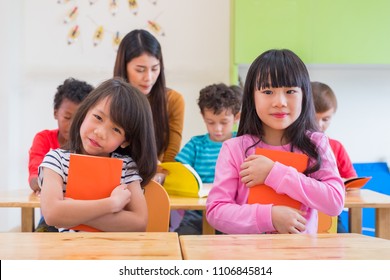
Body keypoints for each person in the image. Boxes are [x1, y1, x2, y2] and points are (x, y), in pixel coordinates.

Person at [206, 49, 345, 234]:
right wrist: (269, 217)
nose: (280, 102)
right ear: (252, 97)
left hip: (300, 257)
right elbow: (216, 212)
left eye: (290, 91)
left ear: (304, 96)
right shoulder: (234, 148)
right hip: (249, 258)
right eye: (268, 91)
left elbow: (335, 202)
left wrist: (274, 172)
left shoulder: (316, 143)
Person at [38, 78, 157, 232]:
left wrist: (71, 213)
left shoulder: (126, 166)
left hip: (112, 252)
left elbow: (139, 223)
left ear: (125, 141)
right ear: (85, 112)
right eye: (98, 117)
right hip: (68, 251)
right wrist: (111, 204)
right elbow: (53, 214)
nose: (100, 132)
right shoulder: (56, 160)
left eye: (116, 130)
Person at [174, 83, 242, 235]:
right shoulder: (196, 145)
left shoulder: (242, 143)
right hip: (197, 215)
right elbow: (179, 171)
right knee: (180, 239)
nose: (217, 129)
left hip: (231, 215)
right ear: (203, 117)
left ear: (236, 117)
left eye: (224, 122)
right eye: (211, 122)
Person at [28, 77, 93, 232]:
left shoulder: (92, 145)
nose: (72, 125)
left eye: (80, 118)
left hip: (88, 216)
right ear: (56, 113)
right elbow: (34, 179)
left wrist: (54, 184)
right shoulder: (44, 139)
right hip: (53, 218)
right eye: (67, 117)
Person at [113, 29, 185, 166]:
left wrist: (159, 173)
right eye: (140, 70)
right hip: (116, 175)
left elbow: (170, 159)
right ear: (124, 67)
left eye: (155, 68)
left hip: (156, 177)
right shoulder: (109, 100)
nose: (149, 78)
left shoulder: (173, 100)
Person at [311, 81, 357, 233]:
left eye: (325, 119)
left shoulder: (336, 147)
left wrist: (341, 184)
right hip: (299, 212)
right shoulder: (288, 145)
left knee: (342, 240)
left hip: (330, 214)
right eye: (313, 118)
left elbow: (353, 183)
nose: (319, 125)